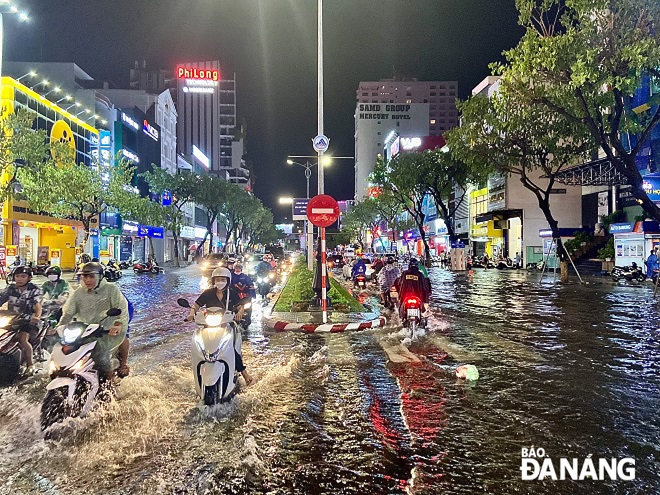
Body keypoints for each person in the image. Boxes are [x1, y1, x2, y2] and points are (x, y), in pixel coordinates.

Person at [59, 262, 129, 384]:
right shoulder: (78, 293)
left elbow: (121, 310)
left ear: (100, 277)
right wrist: (59, 327)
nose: (87, 280)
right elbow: (68, 312)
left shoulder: (112, 290)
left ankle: (110, 382)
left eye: (91, 276)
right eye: (84, 276)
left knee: (103, 356)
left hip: (107, 328)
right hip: (85, 330)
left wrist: (117, 325)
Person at [185, 267, 253, 385]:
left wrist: (240, 312)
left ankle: (244, 373)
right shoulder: (208, 293)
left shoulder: (231, 293)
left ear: (227, 280)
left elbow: (239, 305)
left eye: (222, 279)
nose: (219, 282)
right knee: (198, 344)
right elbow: (196, 305)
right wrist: (191, 314)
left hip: (227, 325)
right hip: (209, 325)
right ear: (213, 281)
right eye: (217, 279)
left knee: (231, 347)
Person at [0, 266, 42, 375]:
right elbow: (1, 299)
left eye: (23, 276)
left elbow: (38, 305)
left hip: (28, 320)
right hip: (11, 319)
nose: (19, 279)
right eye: (17, 276)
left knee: (23, 339)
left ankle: (30, 365)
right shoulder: (10, 288)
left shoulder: (34, 289)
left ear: (29, 278)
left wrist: (36, 316)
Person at [230, 262, 256, 326]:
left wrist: (251, 291)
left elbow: (250, 284)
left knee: (248, 308)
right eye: (236, 267)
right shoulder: (231, 276)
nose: (238, 269)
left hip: (245, 297)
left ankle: (247, 319)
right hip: (234, 296)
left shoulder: (245, 276)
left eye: (239, 267)